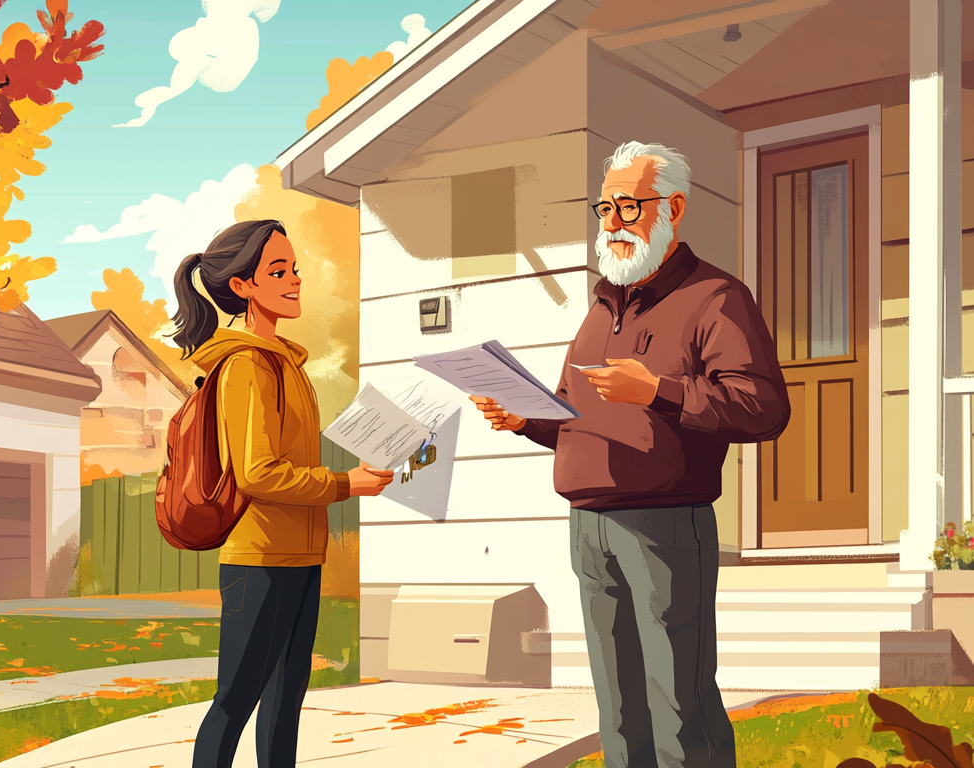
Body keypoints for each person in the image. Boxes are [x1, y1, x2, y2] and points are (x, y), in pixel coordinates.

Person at [472, 142, 790, 767]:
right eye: (604, 208)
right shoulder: (600, 307)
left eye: (628, 206)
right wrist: (524, 421)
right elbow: (575, 413)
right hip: (588, 525)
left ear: (672, 207)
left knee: (679, 699)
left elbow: (763, 408)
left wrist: (661, 391)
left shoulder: (717, 298)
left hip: (665, 525)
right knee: (619, 705)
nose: (612, 222)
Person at [170, 220, 394, 768]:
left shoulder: (285, 362)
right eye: (278, 271)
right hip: (261, 561)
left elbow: (288, 462)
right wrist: (346, 484)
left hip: (300, 555)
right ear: (243, 287)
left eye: (294, 268)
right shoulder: (245, 364)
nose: (295, 280)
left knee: (284, 704)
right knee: (235, 702)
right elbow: (258, 473)